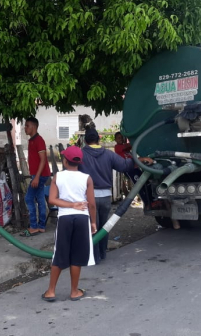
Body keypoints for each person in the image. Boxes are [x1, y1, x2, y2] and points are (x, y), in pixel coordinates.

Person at [42, 145, 96, 302]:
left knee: (60, 253)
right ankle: (74, 291)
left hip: (65, 219)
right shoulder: (87, 178)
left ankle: (51, 291)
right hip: (82, 219)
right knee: (77, 255)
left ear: (65, 161)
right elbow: (92, 204)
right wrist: (93, 222)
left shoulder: (58, 177)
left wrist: (70, 205)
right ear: (79, 162)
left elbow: (52, 200)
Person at [79, 128, 137, 263]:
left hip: (89, 197)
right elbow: (124, 166)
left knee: (92, 226)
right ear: (98, 139)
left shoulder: (81, 154)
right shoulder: (108, 154)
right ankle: (102, 253)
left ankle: (94, 256)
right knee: (103, 226)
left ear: (85, 140)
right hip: (105, 197)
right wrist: (136, 158)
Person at [21, 117, 52, 236]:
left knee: (29, 198)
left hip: (40, 175)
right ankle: (41, 226)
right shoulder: (32, 140)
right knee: (39, 199)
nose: (25, 128)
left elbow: (43, 160)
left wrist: (37, 177)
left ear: (34, 127)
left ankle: (33, 226)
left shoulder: (39, 140)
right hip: (39, 174)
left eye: (27, 125)